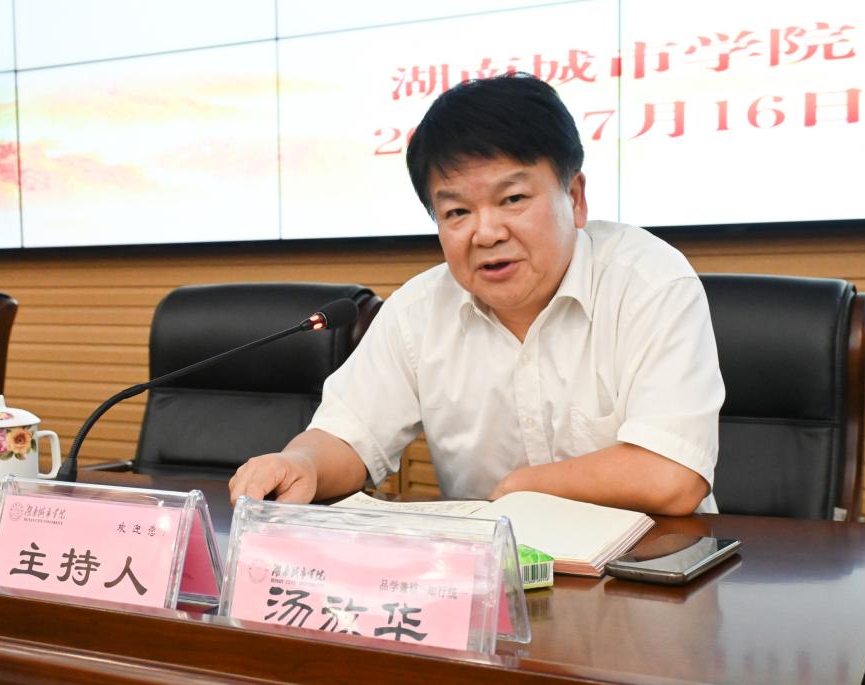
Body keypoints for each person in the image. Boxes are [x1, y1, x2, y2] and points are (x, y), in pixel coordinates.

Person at [230, 73, 724, 515]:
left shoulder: (648, 283)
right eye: (457, 212)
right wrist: (302, 464)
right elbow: (348, 435)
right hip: (489, 574)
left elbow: (672, 476)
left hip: (648, 568)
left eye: (513, 199)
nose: (486, 233)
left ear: (575, 198)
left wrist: (523, 488)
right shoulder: (418, 311)